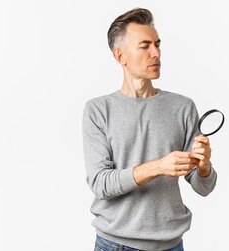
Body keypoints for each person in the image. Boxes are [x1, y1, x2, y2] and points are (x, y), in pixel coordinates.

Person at [82, 8, 218, 251]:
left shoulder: (182, 107)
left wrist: (205, 168)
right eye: (145, 46)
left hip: (171, 245)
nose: (156, 53)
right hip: (114, 245)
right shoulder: (98, 110)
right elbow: (101, 184)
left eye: (157, 44)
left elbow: (203, 187)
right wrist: (158, 167)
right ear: (120, 56)